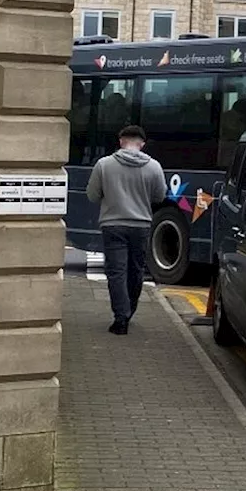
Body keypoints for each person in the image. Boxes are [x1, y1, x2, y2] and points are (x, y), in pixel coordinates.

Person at [87, 125, 168, 335]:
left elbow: (92, 195)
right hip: (141, 225)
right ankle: (129, 311)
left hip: (112, 225)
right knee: (136, 270)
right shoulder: (154, 167)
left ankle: (120, 318)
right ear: (141, 144)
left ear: (121, 141)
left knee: (116, 272)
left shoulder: (103, 165)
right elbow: (160, 196)